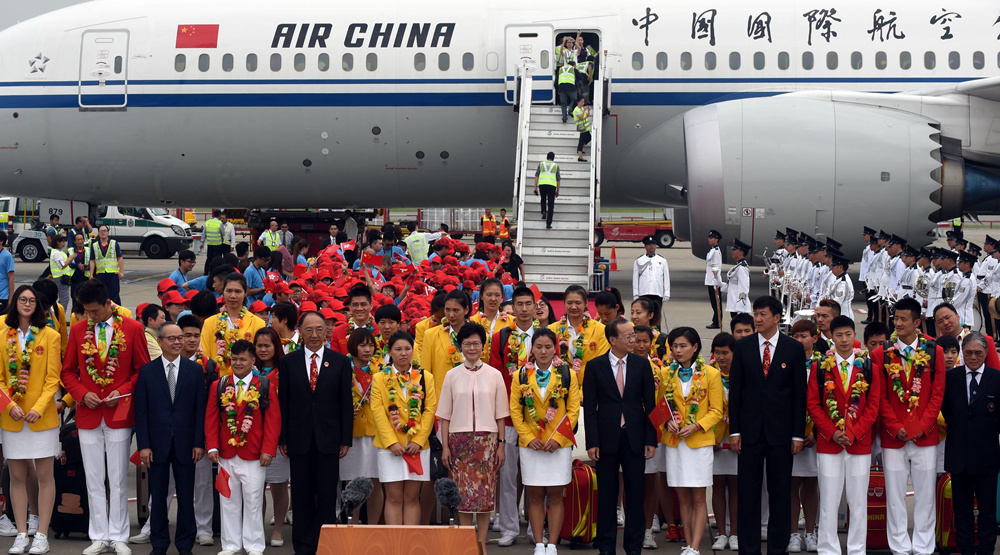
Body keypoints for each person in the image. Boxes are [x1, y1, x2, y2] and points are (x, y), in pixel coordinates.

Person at [62, 279, 150, 555]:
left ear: (109, 304)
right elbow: (67, 372)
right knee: (93, 477)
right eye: (86, 312)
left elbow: (142, 371)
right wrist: (80, 393)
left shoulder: (134, 329)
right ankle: (98, 535)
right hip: (88, 413)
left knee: (117, 477)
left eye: (95, 311)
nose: (91, 316)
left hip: (119, 412)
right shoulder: (77, 331)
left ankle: (119, 535)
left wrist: (121, 391)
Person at [728, 295, 807, 555]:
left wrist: (798, 434)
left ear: (777, 317)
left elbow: (799, 395)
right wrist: (735, 430)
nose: (758, 319)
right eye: (756, 314)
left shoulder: (792, 348)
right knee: (748, 493)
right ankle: (748, 549)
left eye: (763, 314)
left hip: (781, 434)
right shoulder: (744, 346)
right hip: (749, 433)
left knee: (780, 493)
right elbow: (736, 391)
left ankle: (777, 548)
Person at [870, 297, 945, 555]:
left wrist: (923, 425)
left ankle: (924, 546)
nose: (897, 323)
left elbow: (937, 394)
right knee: (895, 495)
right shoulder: (881, 353)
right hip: (894, 436)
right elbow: (878, 396)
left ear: (917, 322)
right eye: (895, 318)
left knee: (925, 495)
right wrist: (893, 425)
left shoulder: (934, 350)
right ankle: (900, 546)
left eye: (903, 319)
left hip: (925, 435)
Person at [277, 311, 353, 555]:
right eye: (308, 330)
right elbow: (284, 402)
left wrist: (345, 438)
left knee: (327, 493)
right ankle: (303, 546)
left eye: (319, 329)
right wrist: (284, 438)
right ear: (300, 331)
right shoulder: (289, 362)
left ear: (326, 331)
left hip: (329, 439)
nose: (314, 335)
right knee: (301, 495)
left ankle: (326, 544)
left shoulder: (339, 361)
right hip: (298, 439)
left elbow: (345, 403)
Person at [582, 318, 656, 555]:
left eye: (633, 336)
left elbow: (650, 405)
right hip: (606, 440)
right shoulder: (595, 367)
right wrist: (592, 442)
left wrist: (650, 439)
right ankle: (606, 547)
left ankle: (633, 547)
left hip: (634, 438)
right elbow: (591, 408)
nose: (633, 340)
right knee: (606, 496)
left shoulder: (642, 365)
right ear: (613, 340)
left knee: (635, 495)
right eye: (628, 337)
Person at [134, 322, 206, 555]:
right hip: (156, 445)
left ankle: (185, 544)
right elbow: (141, 411)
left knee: (186, 496)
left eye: (180, 338)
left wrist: (198, 442)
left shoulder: (194, 370)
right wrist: (143, 445)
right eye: (172, 338)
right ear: (160, 341)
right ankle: (159, 543)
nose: (178, 342)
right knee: (158, 495)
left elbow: (200, 410)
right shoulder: (147, 371)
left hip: (187, 444)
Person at [437, 323, 509, 554]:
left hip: (487, 443)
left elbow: (501, 415)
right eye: (466, 343)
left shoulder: (494, 375)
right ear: (460, 346)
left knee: (486, 495)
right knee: (463, 495)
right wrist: (445, 447)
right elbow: (445, 416)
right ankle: (466, 543)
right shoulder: (451, 375)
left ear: (483, 345)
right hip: (460, 443)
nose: (471, 347)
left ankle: (481, 543)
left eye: (476, 343)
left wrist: (501, 445)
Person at [0, 286, 62, 555]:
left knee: (45, 475)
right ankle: (22, 532)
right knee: (16, 475)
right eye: (22, 300)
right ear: (15, 304)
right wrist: (8, 404)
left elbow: (52, 379)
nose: (27, 304)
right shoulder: (2, 335)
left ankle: (42, 534)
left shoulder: (51, 336)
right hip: (12, 416)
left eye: (32, 301)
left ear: (39, 306)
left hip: (42, 416)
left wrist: (38, 407)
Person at [206, 339, 280, 555]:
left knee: (254, 500)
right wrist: (212, 446)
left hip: (255, 453)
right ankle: (230, 545)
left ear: (253, 360)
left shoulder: (265, 386)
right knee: (227, 499)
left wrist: (268, 449)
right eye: (234, 359)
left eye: (243, 359)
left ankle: (254, 544)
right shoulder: (219, 385)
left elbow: (274, 421)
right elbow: (211, 418)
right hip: (226, 454)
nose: (238, 363)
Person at [510, 328, 581, 555]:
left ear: (555, 349)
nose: (543, 351)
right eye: (538, 347)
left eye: (548, 347)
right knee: (535, 496)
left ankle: (553, 544)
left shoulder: (567, 374)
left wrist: (559, 439)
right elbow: (515, 411)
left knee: (555, 495)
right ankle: (539, 543)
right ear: (532, 349)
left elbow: (572, 411)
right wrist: (529, 438)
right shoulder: (520, 375)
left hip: (557, 446)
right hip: (531, 445)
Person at [661, 327, 724, 555]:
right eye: (674, 346)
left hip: (699, 442)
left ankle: (696, 547)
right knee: (682, 497)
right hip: (675, 442)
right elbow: (661, 408)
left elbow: (717, 411)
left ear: (695, 347)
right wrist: (667, 421)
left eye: (682, 346)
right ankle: (688, 544)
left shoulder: (711, 373)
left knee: (698, 496)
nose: (678, 350)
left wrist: (697, 425)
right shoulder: (666, 373)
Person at [940, 332, 1000, 555]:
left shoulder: (996, 379)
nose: (973, 357)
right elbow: (946, 411)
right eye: (968, 353)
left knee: (987, 511)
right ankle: (965, 550)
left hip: (987, 458)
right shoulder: (950, 378)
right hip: (958, 457)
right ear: (962, 353)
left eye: (978, 353)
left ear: (986, 354)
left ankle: (986, 550)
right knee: (962, 510)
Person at [486, 286, 537, 547]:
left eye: (529, 304)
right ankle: (507, 526)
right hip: (507, 415)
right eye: (520, 304)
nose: (525, 309)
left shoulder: (545, 336)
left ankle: (534, 527)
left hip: (538, 417)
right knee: (506, 473)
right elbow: (495, 378)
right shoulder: (500, 337)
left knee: (535, 475)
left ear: (535, 306)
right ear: (513, 308)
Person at [369, 331, 438, 525]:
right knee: (394, 497)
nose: (403, 353)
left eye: (408, 348)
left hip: (418, 446)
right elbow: (378, 412)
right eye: (398, 349)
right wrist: (391, 443)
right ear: (389, 351)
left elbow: (429, 409)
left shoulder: (426, 377)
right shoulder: (380, 378)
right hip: (390, 447)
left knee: (411, 497)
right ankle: (394, 545)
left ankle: (409, 544)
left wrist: (418, 440)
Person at [631, 325, 671, 549]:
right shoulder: (621, 365)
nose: (640, 345)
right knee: (628, 482)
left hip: (651, 432)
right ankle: (632, 527)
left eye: (645, 341)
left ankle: (647, 530)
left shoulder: (661, 369)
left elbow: (665, 401)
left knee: (648, 482)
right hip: (626, 430)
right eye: (636, 340)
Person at [340, 328, 384, 525]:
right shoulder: (342, 368)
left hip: (377, 432)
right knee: (353, 482)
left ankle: (373, 526)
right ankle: (352, 525)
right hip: (353, 433)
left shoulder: (382, 369)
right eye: (362, 345)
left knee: (376, 481)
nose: (367, 349)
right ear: (353, 347)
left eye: (370, 345)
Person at [250, 328, 289, 544]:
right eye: (259, 345)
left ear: (276, 346)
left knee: (278, 484)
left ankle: (277, 530)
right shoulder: (246, 369)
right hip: (252, 437)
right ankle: (258, 530)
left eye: (268, 345)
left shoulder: (285, 371)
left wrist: (284, 439)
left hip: (277, 439)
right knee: (256, 487)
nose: (263, 350)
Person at [787, 321, 820, 554]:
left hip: (816, 434)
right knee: (791, 484)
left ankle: (810, 531)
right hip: (790, 434)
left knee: (811, 484)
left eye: (804, 336)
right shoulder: (786, 362)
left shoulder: (823, 365)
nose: (800, 340)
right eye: (795, 336)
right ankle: (792, 534)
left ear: (814, 338)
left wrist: (816, 433)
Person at [199, 273, 267, 376]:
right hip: (217, 382)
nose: (233, 296)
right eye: (229, 291)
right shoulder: (209, 322)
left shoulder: (258, 323)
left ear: (245, 293)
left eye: (238, 291)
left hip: (248, 383)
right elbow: (204, 356)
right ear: (223, 292)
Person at [710, 332, 739, 552]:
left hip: (738, 440)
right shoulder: (709, 376)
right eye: (717, 353)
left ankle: (736, 533)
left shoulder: (743, 374)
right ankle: (721, 533)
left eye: (725, 353)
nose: (721, 357)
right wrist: (711, 438)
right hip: (716, 440)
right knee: (718, 487)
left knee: (737, 488)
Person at [549, 285, 608, 384]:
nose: (573, 307)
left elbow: (601, 364)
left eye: (578, 303)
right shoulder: (552, 329)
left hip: (590, 386)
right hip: (558, 387)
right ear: (563, 303)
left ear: (586, 303)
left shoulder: (600, 329)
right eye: (569, 303)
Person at [633, 236, 670, 331]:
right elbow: (635, 278)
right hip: (644, 292)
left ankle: (656, 334)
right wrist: (636, 293)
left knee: (656, 316)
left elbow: (666, 278)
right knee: (643, 315)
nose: (651, 247)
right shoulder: (639, 260)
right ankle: (643, 331)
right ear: (645, 246)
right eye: (649, 245)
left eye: (653, 244)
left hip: (657, 292)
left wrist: (666, 293)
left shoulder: (662, 260)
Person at [472, 279, 514, 358]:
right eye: (489, 295)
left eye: (497, 295)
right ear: (481, 296)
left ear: (502, 297)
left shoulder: (512, 322)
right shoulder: (472, 322)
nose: (493, 299)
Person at [88, 226, 124, 305]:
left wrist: (121, 272)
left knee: (114, 296)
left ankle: (116, 314)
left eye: (104, 231)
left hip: (112, 274)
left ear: (108, 232)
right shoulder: (95, 245)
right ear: (98, 233)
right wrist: (91, 274)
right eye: (101, 231)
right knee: (101, 295)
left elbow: (119, 258)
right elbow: (92, 261)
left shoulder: (114, 244)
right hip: (100, 274)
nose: (103, 232)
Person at [723, 239, 751, 317]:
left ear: (741, 252)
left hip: (738, 306)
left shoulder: (742, 268)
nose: (732, 251)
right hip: (733, 303)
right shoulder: (738, 266)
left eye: (735, 250)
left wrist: (740, 306)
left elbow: (744, 288)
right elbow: (732, 285)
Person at [533, 152, 560, 230]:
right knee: (551, 205)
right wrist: (558, 190)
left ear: (546, 157)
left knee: (543, 199)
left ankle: (544, 211)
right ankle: (548, 224)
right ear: (553, 158)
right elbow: (558, 180)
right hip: (552, 186)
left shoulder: (541, 164)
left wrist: (535, 187)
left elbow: (536, 176)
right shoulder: (556, 166)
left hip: (542, 184)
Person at [705, 230, 723, 330]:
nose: (710, 239)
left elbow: (716, 266)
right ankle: (716, 320)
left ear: (717, 240)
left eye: (712, 238)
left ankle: (717, 321)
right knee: (714, 302)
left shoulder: (715, 251)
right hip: (711, 279)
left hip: (714, 280)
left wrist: (716, 280)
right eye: (709, 237)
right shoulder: (713, 250)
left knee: (716, 302)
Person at [47, 235, 71, 310]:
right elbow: (62, 266)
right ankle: (60, 317)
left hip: (61, 278)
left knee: (63, 299)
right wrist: (70, 258)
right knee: (64, 299)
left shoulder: (59, 252)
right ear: (58, 242)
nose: (64, 244)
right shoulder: (56, 253)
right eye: (62, 242)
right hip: (61, 278)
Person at [68, 233, 90, 310]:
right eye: (78, 240)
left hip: (85, 278)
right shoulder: (70, 251)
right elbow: (68, 263)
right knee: (75, 299)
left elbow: (93, 262)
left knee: (86, 299)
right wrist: (77, 265)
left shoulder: (88, 250)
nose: (80, 241)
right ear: (74, 241)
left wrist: (86, 267)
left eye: (81, 239)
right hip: (75, 278)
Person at [573, 97, 591, 162]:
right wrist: (584, 111)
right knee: (581, 142)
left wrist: (588, 110)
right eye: (582, 102)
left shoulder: (582, 108)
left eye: (583, 102)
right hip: (582, 128)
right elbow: (581, 117)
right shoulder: (576, 110)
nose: (583, 103)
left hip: (585, 128)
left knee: (589, 138)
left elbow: (587, 115)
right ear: (578, 102)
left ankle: (579, 149)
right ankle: (580, 157)